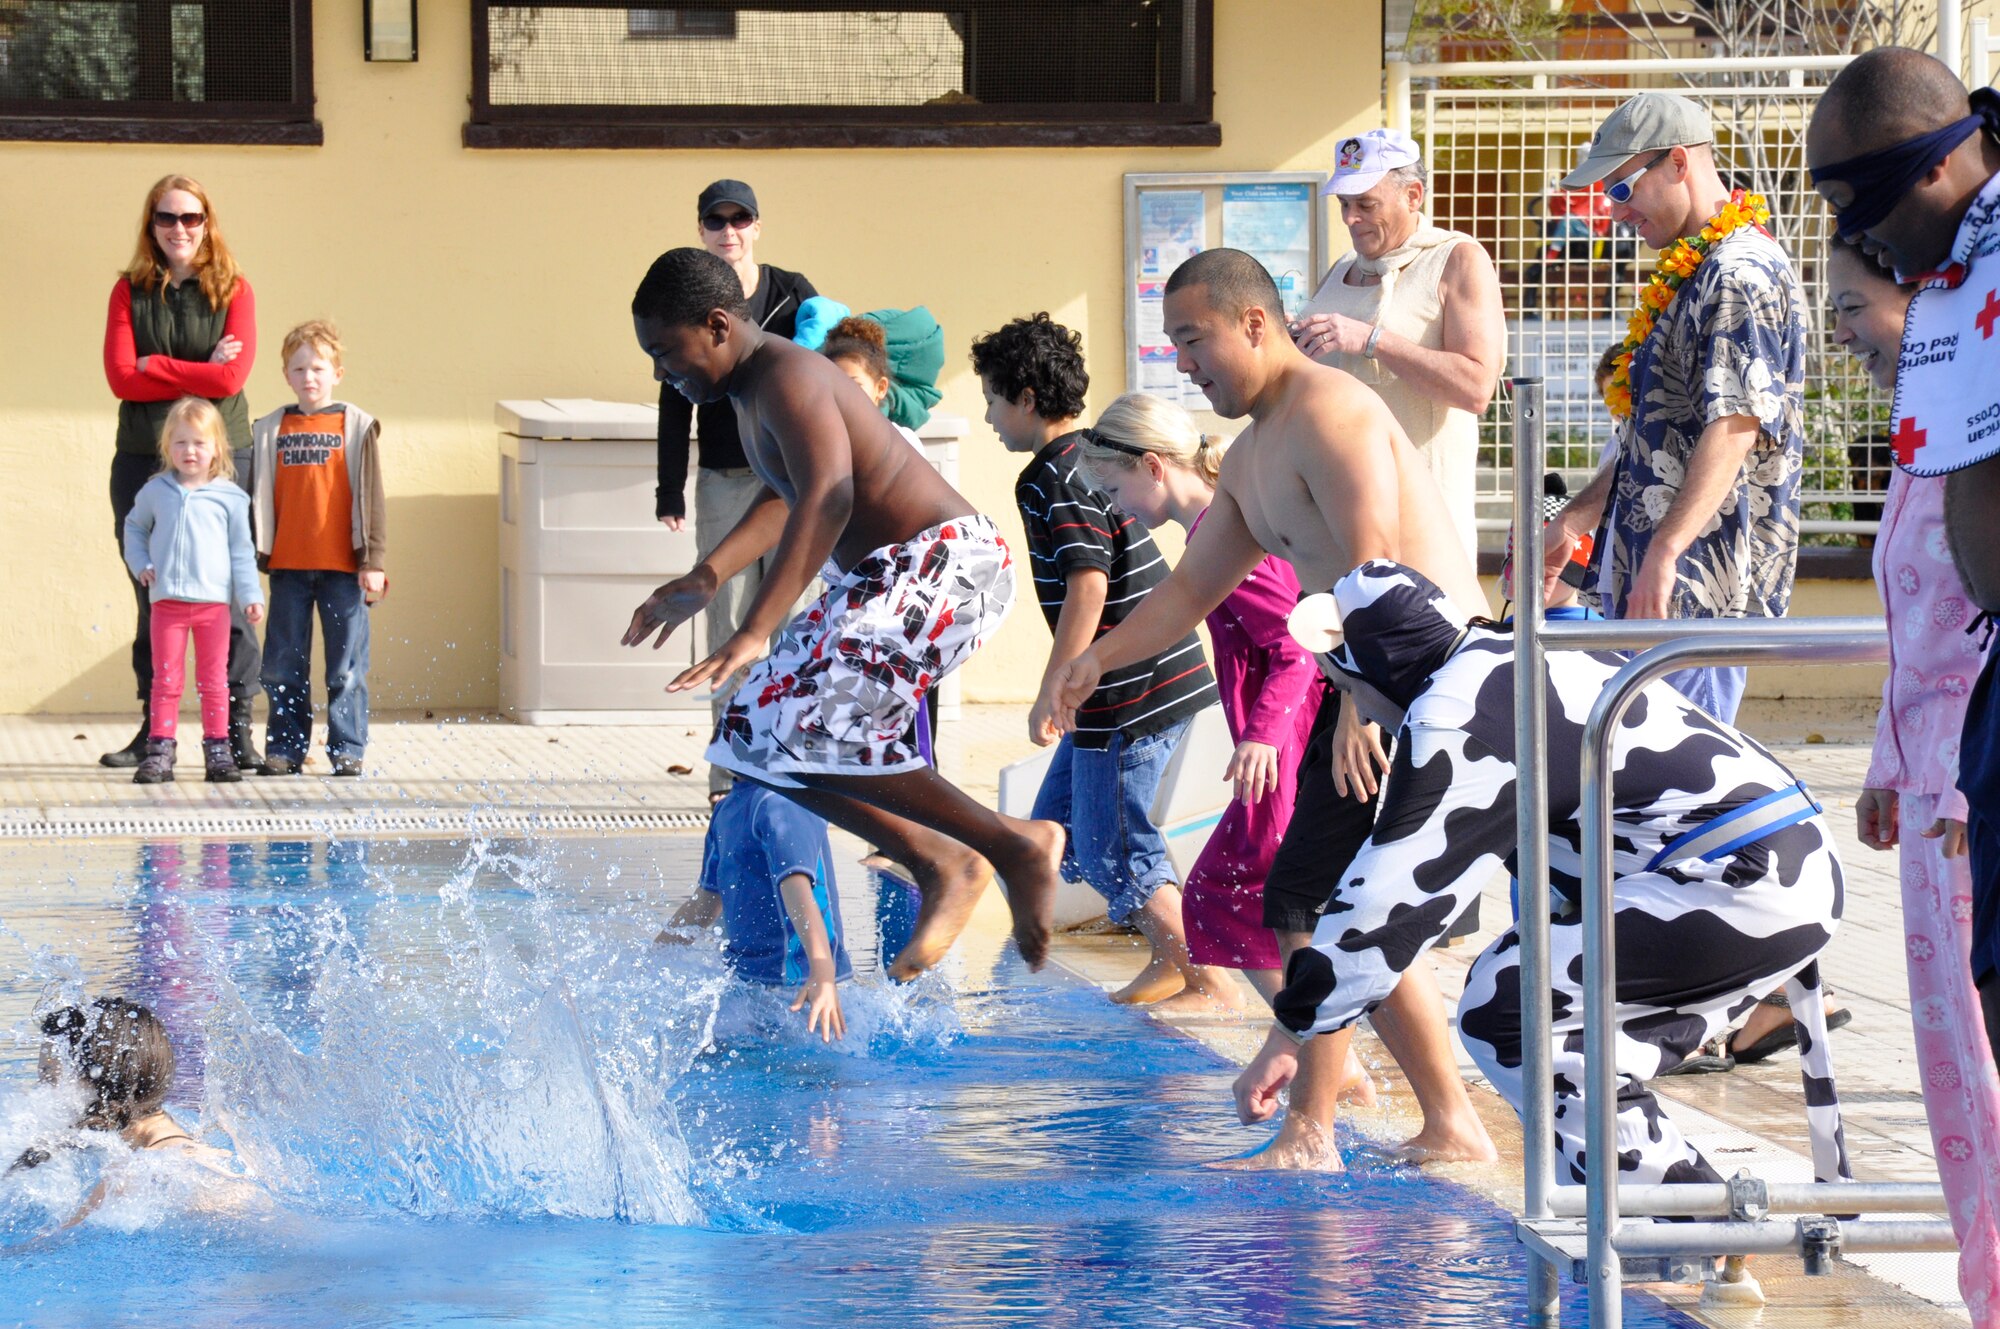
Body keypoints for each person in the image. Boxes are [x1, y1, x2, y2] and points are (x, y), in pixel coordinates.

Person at [1039, 248, 1496, 1170]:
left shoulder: (1331, 410)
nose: (1185, 364)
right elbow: (1187, 594)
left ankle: (1314, 1127)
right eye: (1175, 345)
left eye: (1194, 339)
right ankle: (1437, 1120)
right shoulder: (1252, 456)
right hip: (1375, 684)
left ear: (1254, 323)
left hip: (1433, 682)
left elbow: (1376, 565)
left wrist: (1358, 708)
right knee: (1313, 898)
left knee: (1319, 900)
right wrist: (1094, 660)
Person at [1245, 561, 1848, 1193]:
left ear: (1376, 669)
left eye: (1347, 685)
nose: (1362, 710)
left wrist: (1289, 1034)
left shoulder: (1457, 710)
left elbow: (1387, 904)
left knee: (1509, 1008)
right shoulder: (1513, 656)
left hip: (1740, 880)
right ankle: (1654, 1217)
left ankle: (1681, 1216)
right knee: (1550, 1020)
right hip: (1776, 869)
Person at [622, 248, 1063, 980]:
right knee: (753, 737)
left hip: (945, 565)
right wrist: (708, 574)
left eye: (665, 352)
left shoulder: (788, 376)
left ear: (718, 325)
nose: (661, 373)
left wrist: (755, 629)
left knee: (813, 720)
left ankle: (1003, 847)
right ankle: (945, 858)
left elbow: (828, 496)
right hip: (887, 577)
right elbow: (786, 494)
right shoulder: (752, 392)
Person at [1826, 222, 2000, 1310]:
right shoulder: (1922, 428)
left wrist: (1967, 782)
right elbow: (1921, 625)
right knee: (1957, 1080)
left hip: (1974, 782)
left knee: (1983, 1065)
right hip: (1937, 779)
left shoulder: (1976, 423)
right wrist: (1888, 762)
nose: (1843, 334)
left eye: (1854, 307)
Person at [972, 316, 1228, 1009]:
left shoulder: (1056, 475)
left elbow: (1088, 581)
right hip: (1144, 676)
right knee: (1056, 826)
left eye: (992, 400)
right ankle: (1166, 958)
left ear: (1026, 398)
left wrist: (1054, 688)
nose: (989, 417)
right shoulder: (1090, 455)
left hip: (1128, 689)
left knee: (1111, 843)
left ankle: (1206, 976)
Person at [1543, 93, 1807, 726]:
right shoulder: (1696, 269)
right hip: (1663, 588)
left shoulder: (1738, 272)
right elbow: (1659, 435)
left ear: (1680, 163)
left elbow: (1735, 426)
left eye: (1621, 188)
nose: (1615, 211)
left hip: (1698, 591)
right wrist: (1577, 518)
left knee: (1679, 775)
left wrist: (1664, 553)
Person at [1074, 394, 1319, 999]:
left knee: (1231, 888)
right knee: (1252, 892)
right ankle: (1306, 1032)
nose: (1116, 507)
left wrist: (1263, 735)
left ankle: (1308, 1034)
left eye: (1114, 489)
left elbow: (1297, 644)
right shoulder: (1215, 529)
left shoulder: (1222, 534)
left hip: (1284, 742)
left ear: (1154, 466)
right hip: (1279, 739)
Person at [655, 181, 819, 806]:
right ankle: (730, 775)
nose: (729, 230)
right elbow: (674, 398)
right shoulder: (690, 298)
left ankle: (795, 765)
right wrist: (670, 488)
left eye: (740, 219)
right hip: (725, 475)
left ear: (757, 226)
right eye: (716, 221)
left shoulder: (792, 293)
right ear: (700, 230)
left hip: (786, 474)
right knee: (728, 620)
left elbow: (826, 365)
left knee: (795, 620)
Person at [101, 174, 262, 772]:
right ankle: (156, 730)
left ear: (207, 223)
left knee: (230, 587)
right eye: (167, 217)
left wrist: (157, 364)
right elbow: (121, 378)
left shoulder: (234, 289)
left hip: (222, 456)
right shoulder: (129, 291)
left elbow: (231, 380)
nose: (179, 229)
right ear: (152, 225)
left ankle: (236, 731)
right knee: (152, 589)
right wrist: (199, 368)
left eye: (191, 217)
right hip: (144, 457)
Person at [1291, 128, 1505, 561]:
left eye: (1366, 204)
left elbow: (1476, 388)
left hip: (1421, 520)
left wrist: (1372, 340)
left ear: (1413, 196)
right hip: (1338, 511)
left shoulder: (1457, 258)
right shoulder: (1342, 268)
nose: (1350, 219)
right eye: (1344, 204)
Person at [245, 321, 387, 778]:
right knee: (282, 666)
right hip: (288, 567)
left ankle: (347, 749)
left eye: (319, 368)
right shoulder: (270, 428)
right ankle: (285, 749)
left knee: (345, 670)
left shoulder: (356, 426)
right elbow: (255, 498)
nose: (309, 376)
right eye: (299, 368)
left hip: (342, 569)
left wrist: (373, 560)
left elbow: (372, 497)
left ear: (337, 373)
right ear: (286, 375)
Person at [121, 398, 265, 785]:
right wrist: (140, 563)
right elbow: (134, 528)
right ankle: (160, 749)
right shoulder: (156, 491)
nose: (190, 451)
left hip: (212, 607)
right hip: (167, 604)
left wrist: (251, 595)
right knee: (166, 681)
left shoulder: (231, 497)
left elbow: (241, 552)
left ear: (217, 447)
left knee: (214, 682)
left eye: (200, 442)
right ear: (167, 446)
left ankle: (218, 749)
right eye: (180, 442)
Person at [819, 312, 942, 764]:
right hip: (845, 613)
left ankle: (916, 808)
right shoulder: (818, 448)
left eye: (853, 385)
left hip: (901, 619)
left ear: (880, 389)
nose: (842, 396)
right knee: (852, 740)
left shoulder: (902, 443)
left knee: (908, 745)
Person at [9, 999, 242, 1226]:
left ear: (97, 1081)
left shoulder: (137, 1173)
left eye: (49, 1075)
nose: (41, 1089)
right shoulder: (165, 1134)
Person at [659, 781, 854, 1042]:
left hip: (806, 986)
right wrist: (654, 957)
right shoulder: (728, 809)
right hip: (748, 984)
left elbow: (797, 889)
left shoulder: (785, 802)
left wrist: (822, 972)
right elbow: (704, 904)